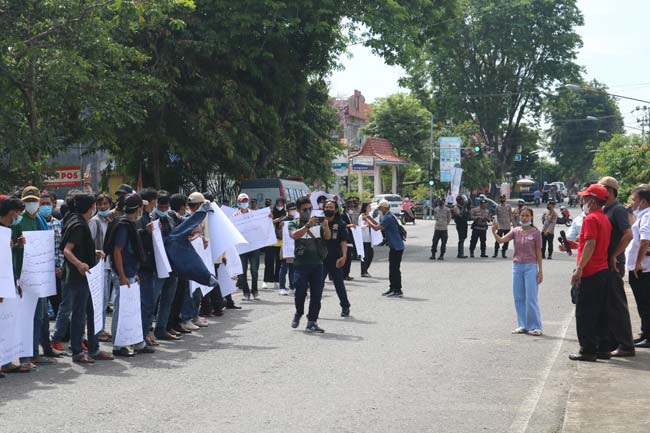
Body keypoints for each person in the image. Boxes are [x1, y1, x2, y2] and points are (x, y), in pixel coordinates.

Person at [60, 193, 114, 363]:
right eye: (94, 206)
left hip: (88, 277)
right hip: (80, 277)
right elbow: (67, 250)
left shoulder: (74, 219)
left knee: (92, 312)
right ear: (90, 208)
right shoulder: (79, 225)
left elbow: (78, 247)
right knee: (79, 314)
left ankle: (93, 348)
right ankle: (77, 351)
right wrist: (79, 264)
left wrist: (93, 252)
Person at [562, 184, 612, 362]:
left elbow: (590, 244)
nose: (582, 200)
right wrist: (573, 245)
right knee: (599, 312)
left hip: (591, 271)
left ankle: (588, 350)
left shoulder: (591, 219)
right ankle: (602, 348)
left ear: (591, 201)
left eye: (584, 198)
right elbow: (590, 243)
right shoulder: (603, 218)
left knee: (585, 313)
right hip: (601, 270)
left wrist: (579, 268)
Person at [13, 186, 54, 367]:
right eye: (27, 201)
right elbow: (9, 247)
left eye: (34, 200)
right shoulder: (18, 222)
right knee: (27, 316)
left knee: (41, 316)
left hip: (39, 275)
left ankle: (35, 352)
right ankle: (25, 356)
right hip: (23, 275)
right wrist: (17, 245)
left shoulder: (40, 220)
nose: (31, 204)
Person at [107, 193, 149, 357]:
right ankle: (118, 345)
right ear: (138, 208)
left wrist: (134, 273)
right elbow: (117, 251)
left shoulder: (127, 223)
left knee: (132, 308)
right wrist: (123, 275)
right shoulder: (124, 225)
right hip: (122, 273)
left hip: (130, 272)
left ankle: (137, 342)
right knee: (121, 308)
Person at [598, 176, 635, 357]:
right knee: (608, 305)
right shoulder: (606, 209)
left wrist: (614, 255)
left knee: (617, 305)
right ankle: (613, 341)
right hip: (604, 262)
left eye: (602, 189)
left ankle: (626, 345)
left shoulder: (618, 210)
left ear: (610, 191)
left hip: (613, 263)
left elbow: (628, 235)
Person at [493, 207, 543, 335]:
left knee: (531, 297)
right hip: (517, 266)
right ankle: (523, 325)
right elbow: (501, 240)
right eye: (522, 215)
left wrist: (540, 270)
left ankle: (535, 326)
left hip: (531, 266)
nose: (524, 218)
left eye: (527, 216)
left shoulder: (536, 232)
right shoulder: (515, 231)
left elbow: (538, 251)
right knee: (519, 297)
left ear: (531, 217)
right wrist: (494, 232)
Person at [289, 196, 331, 332]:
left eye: (309, 208)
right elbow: (294, 235)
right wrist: (307, 226)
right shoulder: (294, 223)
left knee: (316, 294)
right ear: (299, 210)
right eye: (304, 209)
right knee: (300, 292)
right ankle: (299, 312)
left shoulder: (317, 222)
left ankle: (312, 321)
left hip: (317, 263)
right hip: (301, 264)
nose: (308, 211)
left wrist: (325, 226)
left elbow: (327, 237)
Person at [151, 191, 182, 341]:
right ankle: (144, 332)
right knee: (152, 299)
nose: (162, 209)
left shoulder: (171, 216)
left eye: (165, 207)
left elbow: (185, 224)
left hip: (172, 264)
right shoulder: (150, 219)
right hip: (157, 265)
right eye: (160, 206)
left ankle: (161, 328)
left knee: (168, 299)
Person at [136, 188, 161, 348]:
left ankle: (145, 332)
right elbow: (135, 237)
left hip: (150, 266)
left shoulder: (148, 217)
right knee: (145, 303)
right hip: (143, 267)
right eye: (154, 202)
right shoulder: (140, 219)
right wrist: (145, 231)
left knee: (149, 302)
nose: (155, 205)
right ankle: (142, 335)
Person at [39, 191, 65, 350]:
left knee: (59, 305)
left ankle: (60, 335)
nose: (45, 207)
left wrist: (59, 265)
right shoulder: (37, 222)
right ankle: (44, 341)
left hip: (56, 272)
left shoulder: (58, 223)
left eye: (47, 204)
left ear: (54, 205)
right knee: (42, 311)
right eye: (42, 204)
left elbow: (61, 248)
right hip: (40, 273)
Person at [364, 200, 405, 297]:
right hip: (395, 246)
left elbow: (377, 228)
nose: (379, 210)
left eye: (380, 208)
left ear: (385, 208)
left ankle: (397, 289)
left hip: (397, 247)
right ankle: (392, 288)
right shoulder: (387, 216)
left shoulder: (389, 217)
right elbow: (379, 224)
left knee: (395, 269)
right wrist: (369, 218)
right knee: (392, 268)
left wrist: (367, 220)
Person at [626, 187, 650, 348]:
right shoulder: (641, 216)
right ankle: (644, 332)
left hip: (642, 268)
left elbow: (645, 241)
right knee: (642, 303)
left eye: (634, 199)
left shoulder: (647, 216)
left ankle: (648, 336)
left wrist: (638, 263)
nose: (631, 202)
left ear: (643, 201)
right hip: (639, 266)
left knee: (645, 303)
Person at [88, 193, 113, 342]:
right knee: (100, 300)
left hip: (109, 265)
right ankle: (99, 331)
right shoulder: (95, 221)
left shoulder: (110, 221)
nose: (103, 207)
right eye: (100, 204)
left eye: (105, 204)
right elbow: (90, 243)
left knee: (105, 299)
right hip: (99, 265)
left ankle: (101, 329)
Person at [322, 200, 351, 317]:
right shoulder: (318, 222)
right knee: (318, 285)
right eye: (327, 207)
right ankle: (314, 309)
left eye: (331, 207)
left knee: (339, 284)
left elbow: (343, 242)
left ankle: (345, 306)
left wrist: (344, 256)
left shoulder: (340, 223)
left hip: (335, 258)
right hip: (320, 258)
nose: (328, 209)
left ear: (335, 210)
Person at [233, 193, 261, 301]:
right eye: (242, 201)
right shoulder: (235, 216)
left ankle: (255, 291)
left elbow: (262, 224)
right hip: (242, 247)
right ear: (239, 203)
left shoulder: (254, 214)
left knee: (254, 270)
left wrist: (268, 217)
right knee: (242, 271)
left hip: (253, 246)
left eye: (245, 201)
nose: (244, 203)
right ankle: (246, 292)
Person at [263, 198, 285, 289]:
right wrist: (270, 219)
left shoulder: (286, 213)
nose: (280, 205)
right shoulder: (270, 212)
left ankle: (277, 281)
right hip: (270, 242)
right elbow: (264, 224)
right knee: (268, 262)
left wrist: (281, 220)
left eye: (281, 203)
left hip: (280, 242)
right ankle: (266, 281)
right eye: (278, 203)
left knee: (279, 263)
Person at [278, 202, 298, 295]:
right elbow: (279, 236)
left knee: (293, 269)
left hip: (295, 247)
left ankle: (292, 286)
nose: (294, 211)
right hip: (286, 248)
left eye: (295, 209)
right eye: (292, 209)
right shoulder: (283, 221)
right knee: (284, 268)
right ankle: (282, 287)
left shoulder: (297, 220)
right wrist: (281, 228)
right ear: (288, 210)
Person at [493, 194, 513, 258]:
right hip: (500, 226)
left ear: (505, 199)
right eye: (501, 198)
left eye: (503, 198)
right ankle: (495, 252)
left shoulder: (509, 206)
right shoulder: (497, 207)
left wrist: (514, 224)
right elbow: (495, 216)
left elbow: (511, 216)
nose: (502, 199)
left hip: (507, 225)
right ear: (499, 199)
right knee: (498, 239)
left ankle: (504, 252)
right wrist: (495, 224)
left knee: (506, 240)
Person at [358, 203, 374, 277]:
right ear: (365, 207)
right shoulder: (362, 216)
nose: (370, 207)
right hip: (364, 239)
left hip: (370, 239)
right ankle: (363, 271)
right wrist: (367, 225)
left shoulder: (370, 216)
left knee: (370, 255)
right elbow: (361, 226)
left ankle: (365, 270)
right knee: (365, 256)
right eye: (369, 206)